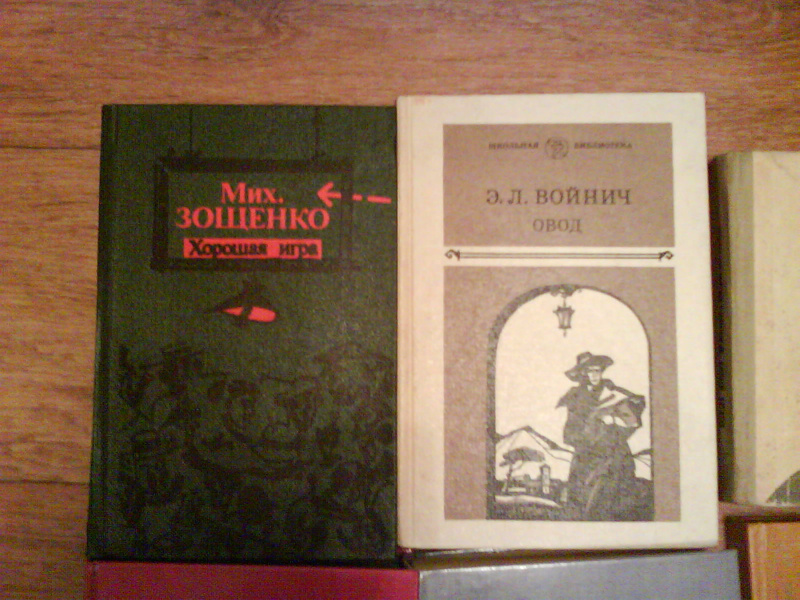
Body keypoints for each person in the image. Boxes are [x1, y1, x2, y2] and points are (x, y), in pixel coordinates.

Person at [556, 351, 651, 520]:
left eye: (597, 370)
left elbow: (636, 405)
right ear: (582, 373)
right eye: (589, 371)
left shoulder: (612, 391)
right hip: (586, 452)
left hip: (613, 450)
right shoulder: (575, 396)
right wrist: (587, 432)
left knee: (612, 495)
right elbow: (570, 429)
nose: (594, 375)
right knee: (581, 497)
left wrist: (613, 419)